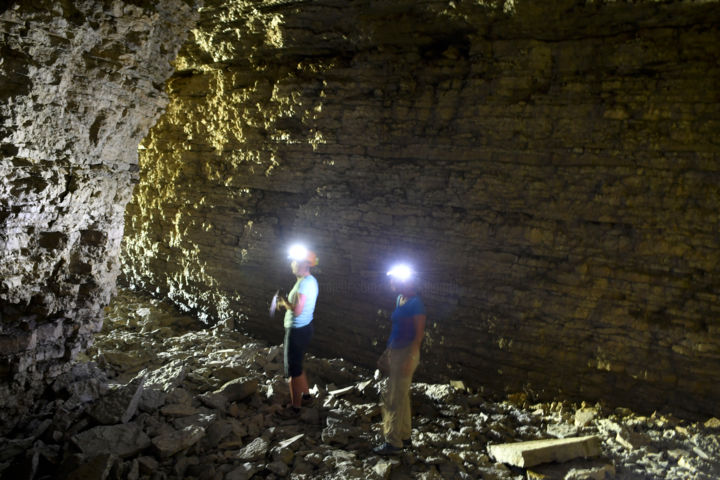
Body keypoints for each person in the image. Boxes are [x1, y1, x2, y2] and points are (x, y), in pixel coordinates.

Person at [373, 264, 426, 455]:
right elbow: (396, 331)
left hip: (407, 353)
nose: (390, 282)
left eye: (393, 279)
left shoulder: (416, 304)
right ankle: (404, 435)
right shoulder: (399, 299)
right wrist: (386, 354)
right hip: (396, 351)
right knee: (402, 397)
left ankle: (392, 443)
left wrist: (409, 359)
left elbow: (418, 335)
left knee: (394, 399)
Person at [278, 244, 318, 411]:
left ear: (303, 264)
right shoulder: (309, 281)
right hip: (304, 328)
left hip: (296, 331)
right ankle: (306, 397)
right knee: (298, 366)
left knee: (292, 370)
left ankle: (295, 407)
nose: (292, 264)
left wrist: (284, 303)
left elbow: (298, 309)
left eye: (294, 261)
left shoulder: (304, 284)